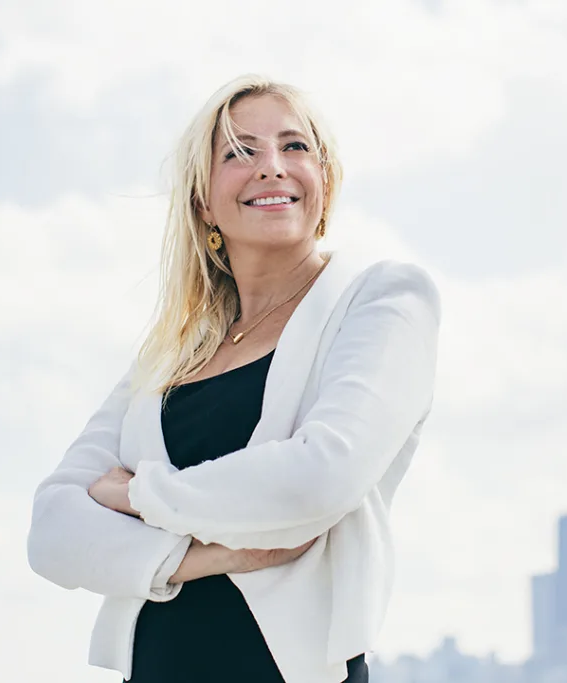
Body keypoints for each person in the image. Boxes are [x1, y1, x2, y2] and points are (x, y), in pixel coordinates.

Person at [26, 74, 441, 683]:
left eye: (295, 147)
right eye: (239, 152)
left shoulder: (383, 301)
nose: (271, 166)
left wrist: (137, 496)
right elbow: (52, 532)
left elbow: (318, 479)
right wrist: (211, 556)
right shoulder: (170, 353)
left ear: (325, 181)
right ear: (202, 200)